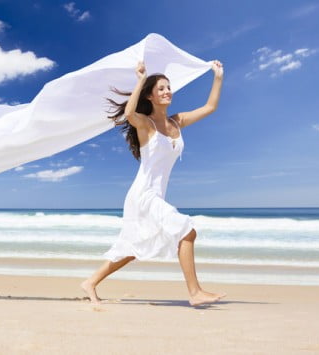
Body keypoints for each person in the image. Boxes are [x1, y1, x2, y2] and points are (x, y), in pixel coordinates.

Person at [80, 59, 226, 306]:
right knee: (187, 230)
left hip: (155, 196)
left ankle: (90, 282)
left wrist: (218, 76)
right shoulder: (145, 124)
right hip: (143, 194)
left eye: (168, 87)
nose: (167, 91)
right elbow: (128, 113)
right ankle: (195, 292)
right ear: (150, 96)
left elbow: (210, 107)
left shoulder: (176, 122)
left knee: (134, 248)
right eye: (160, 88)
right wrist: (139, 81)